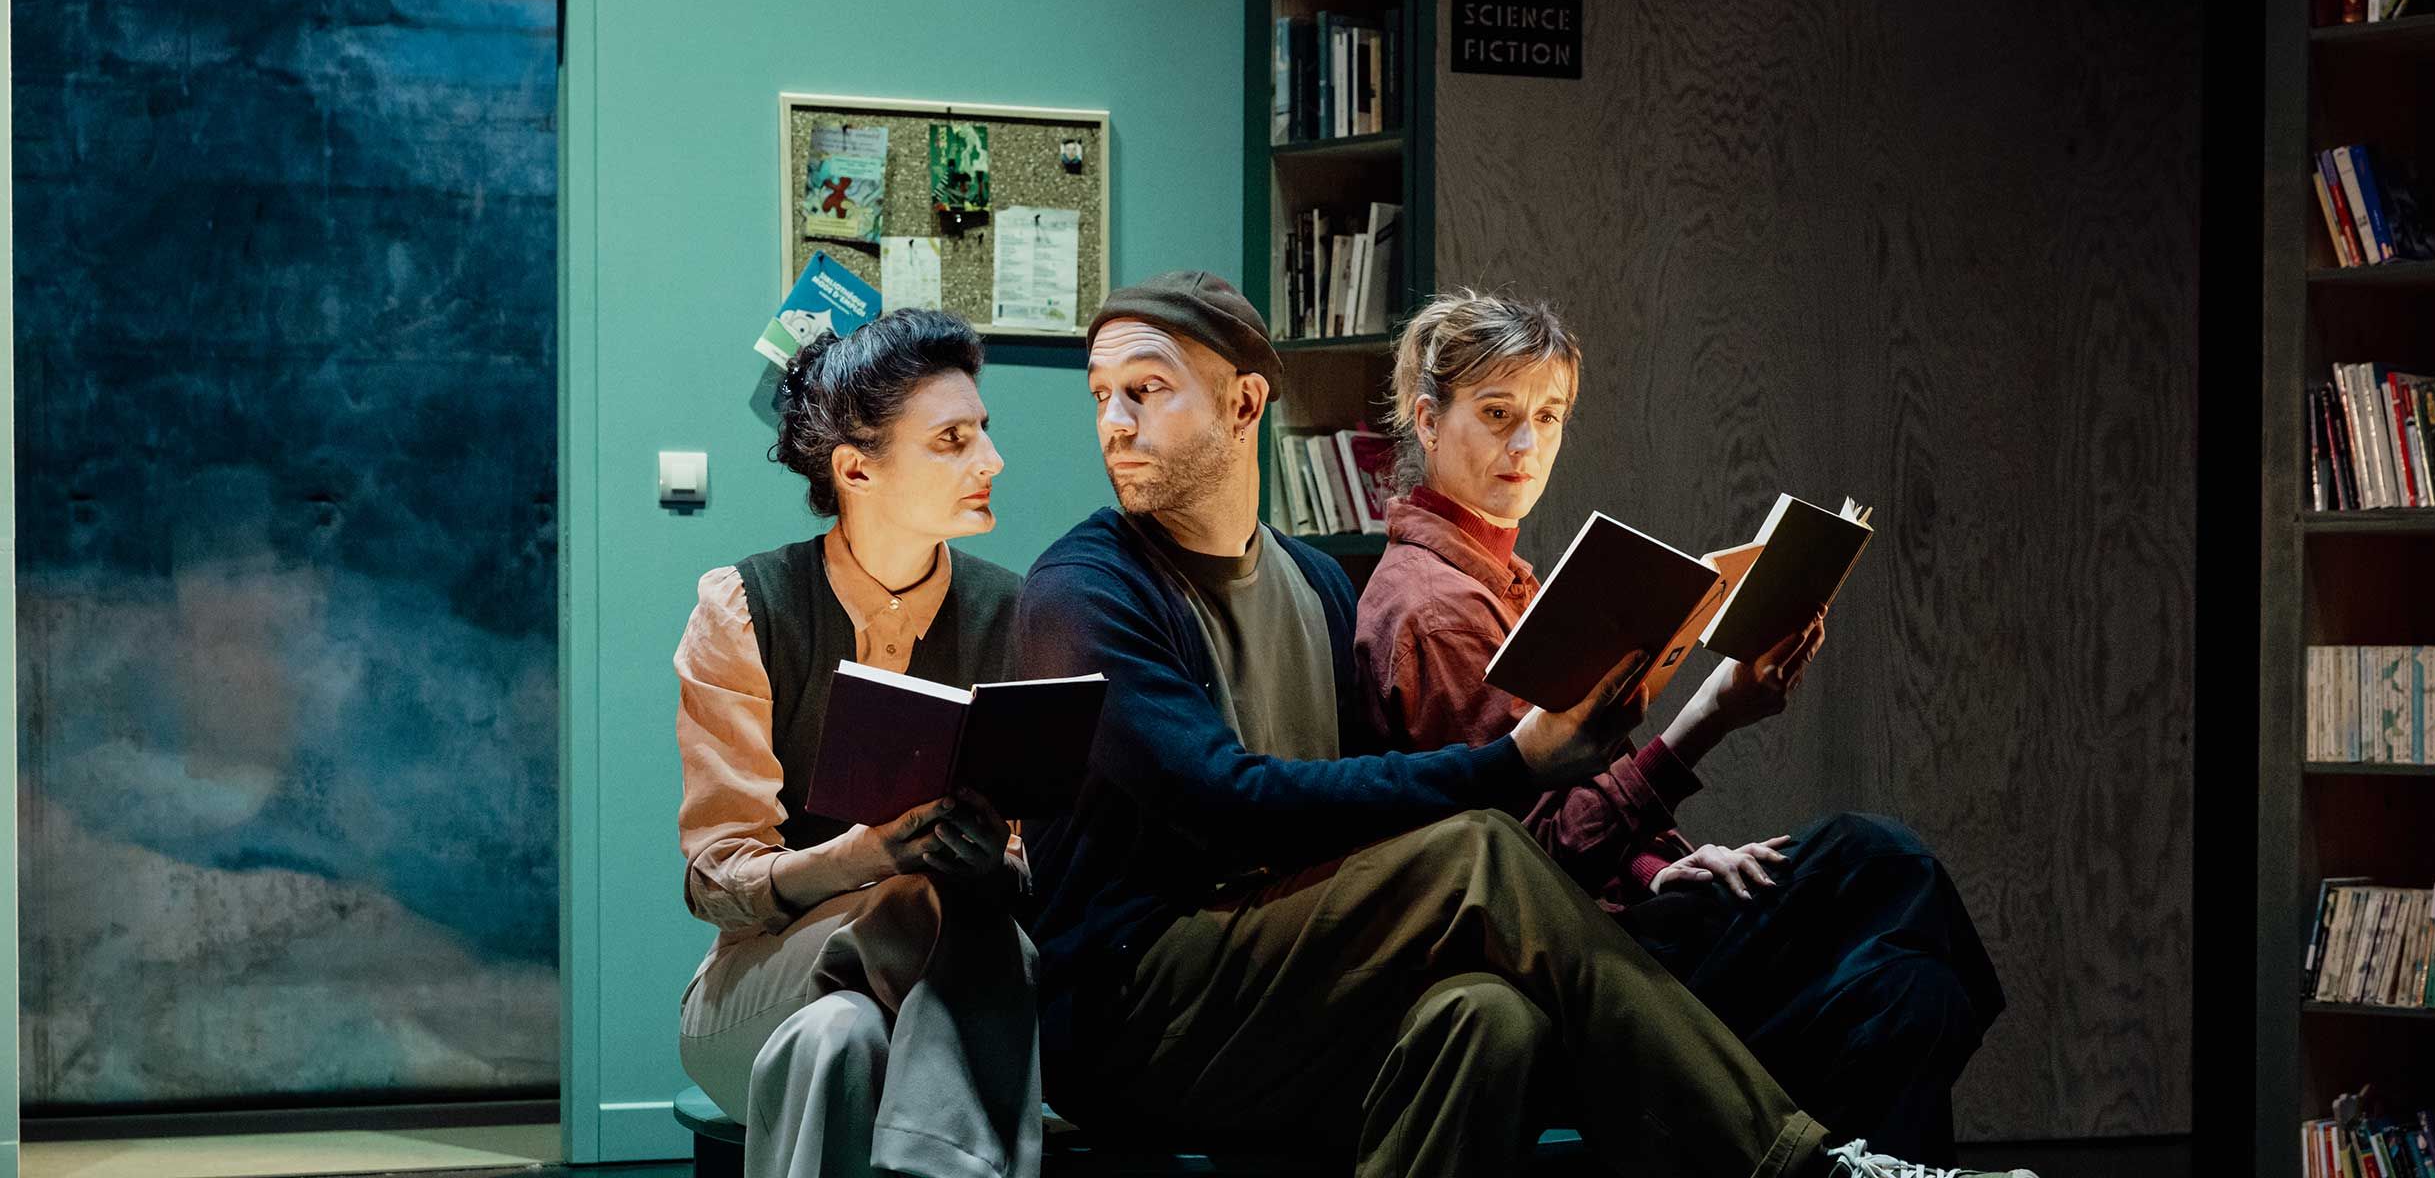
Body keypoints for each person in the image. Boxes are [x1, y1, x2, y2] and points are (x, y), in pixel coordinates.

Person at [1013, 270, 2038, 1178]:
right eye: (1102, 395)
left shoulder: (1316, 585)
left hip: (1286, 967)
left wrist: (1647, 856)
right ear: (1428, 422)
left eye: (1144, 389)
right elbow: (1227, 800)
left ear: (1244, 403)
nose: (1114, 421)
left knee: (1490, 1020)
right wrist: (1519, 762)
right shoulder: (1084, 588)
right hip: (1136, 1000)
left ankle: (1873, 1163)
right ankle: (1802, 1167)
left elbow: (1354, 820)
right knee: (1485, 850)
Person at [1351, 289, 2006, 1162]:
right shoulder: (1434, 610)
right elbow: (1521, 868)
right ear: (1429, 422)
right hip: (1579, 976)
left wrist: (1659, 866)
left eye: (1549, 417)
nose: (1527, 447)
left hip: (1623, 917)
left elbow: (1563, 813)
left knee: (1914, 994)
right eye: (1498, 414)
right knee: (1873, 858)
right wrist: (1708, 717)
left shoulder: (1500, 583)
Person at [673, 309, 1042, 1178]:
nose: (991, 461)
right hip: (759, 985)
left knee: (841, 1037)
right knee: (916, 903)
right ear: (856, 469)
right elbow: (718, 882)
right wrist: (868, 858)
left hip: (912, 999)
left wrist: (994, 862)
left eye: (983, 431)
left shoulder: (1018, 616)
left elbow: (1040, 863)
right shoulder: (746, 610)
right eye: (952, 440)